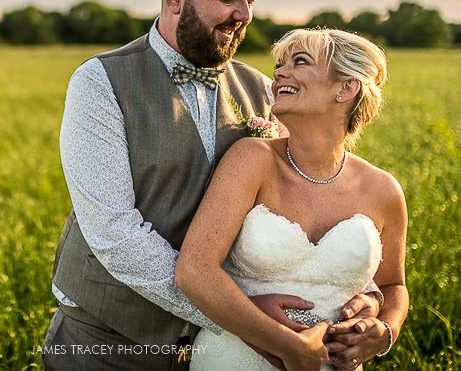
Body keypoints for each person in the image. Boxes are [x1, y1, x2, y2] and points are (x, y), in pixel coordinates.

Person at [43, 0, 385, 370]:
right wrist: (241, 314)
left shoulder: (265, 91)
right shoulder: (100, 82)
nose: (244, 14)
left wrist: (364, 298)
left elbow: (311, 197)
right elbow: (114, 233)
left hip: (224, 350)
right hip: (110, 338)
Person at [175, 28, 410, 370]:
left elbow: (393, 285)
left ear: (346, 88)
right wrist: (288, 347)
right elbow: (194, 272)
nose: (279, 72)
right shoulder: (252, 159)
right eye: (280, 64)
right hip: (236, 358)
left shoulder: (383, 190)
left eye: (300, 62)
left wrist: (385, 330)